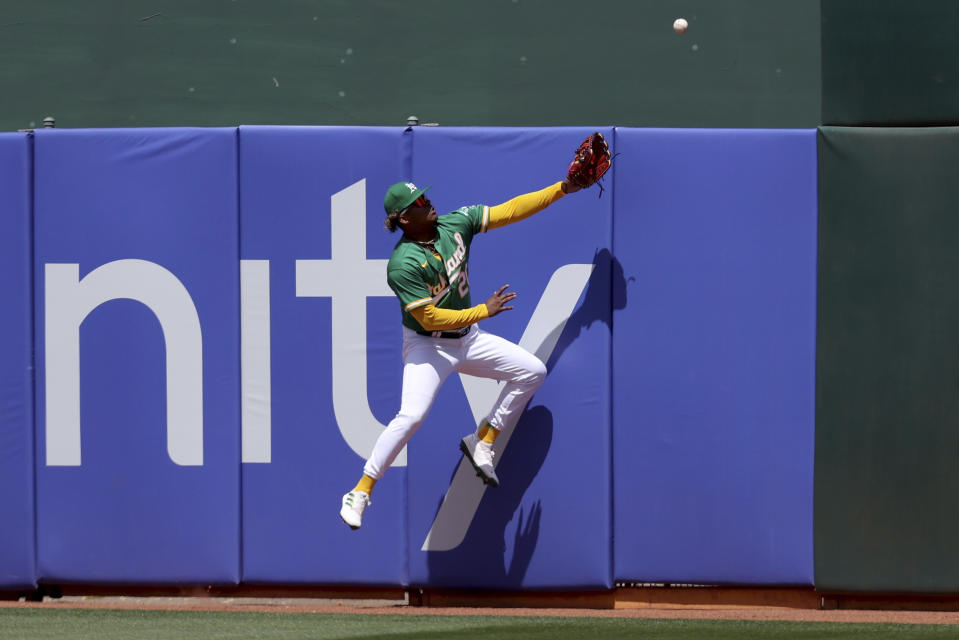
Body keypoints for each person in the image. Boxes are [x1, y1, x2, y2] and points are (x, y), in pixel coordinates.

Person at [339, 174, 583, 529]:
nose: (428, 202)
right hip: (428, 345)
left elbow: (510, 210)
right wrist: (483, 310)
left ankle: (483, 439)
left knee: (532, 371)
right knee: (411, 416)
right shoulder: (402, 264)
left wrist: (563, 189)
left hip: (468, 338)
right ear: (405, 219)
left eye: (425, 196)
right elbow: (429, 315)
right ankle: (360, 490)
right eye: (419, 202)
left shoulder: (455, 223)